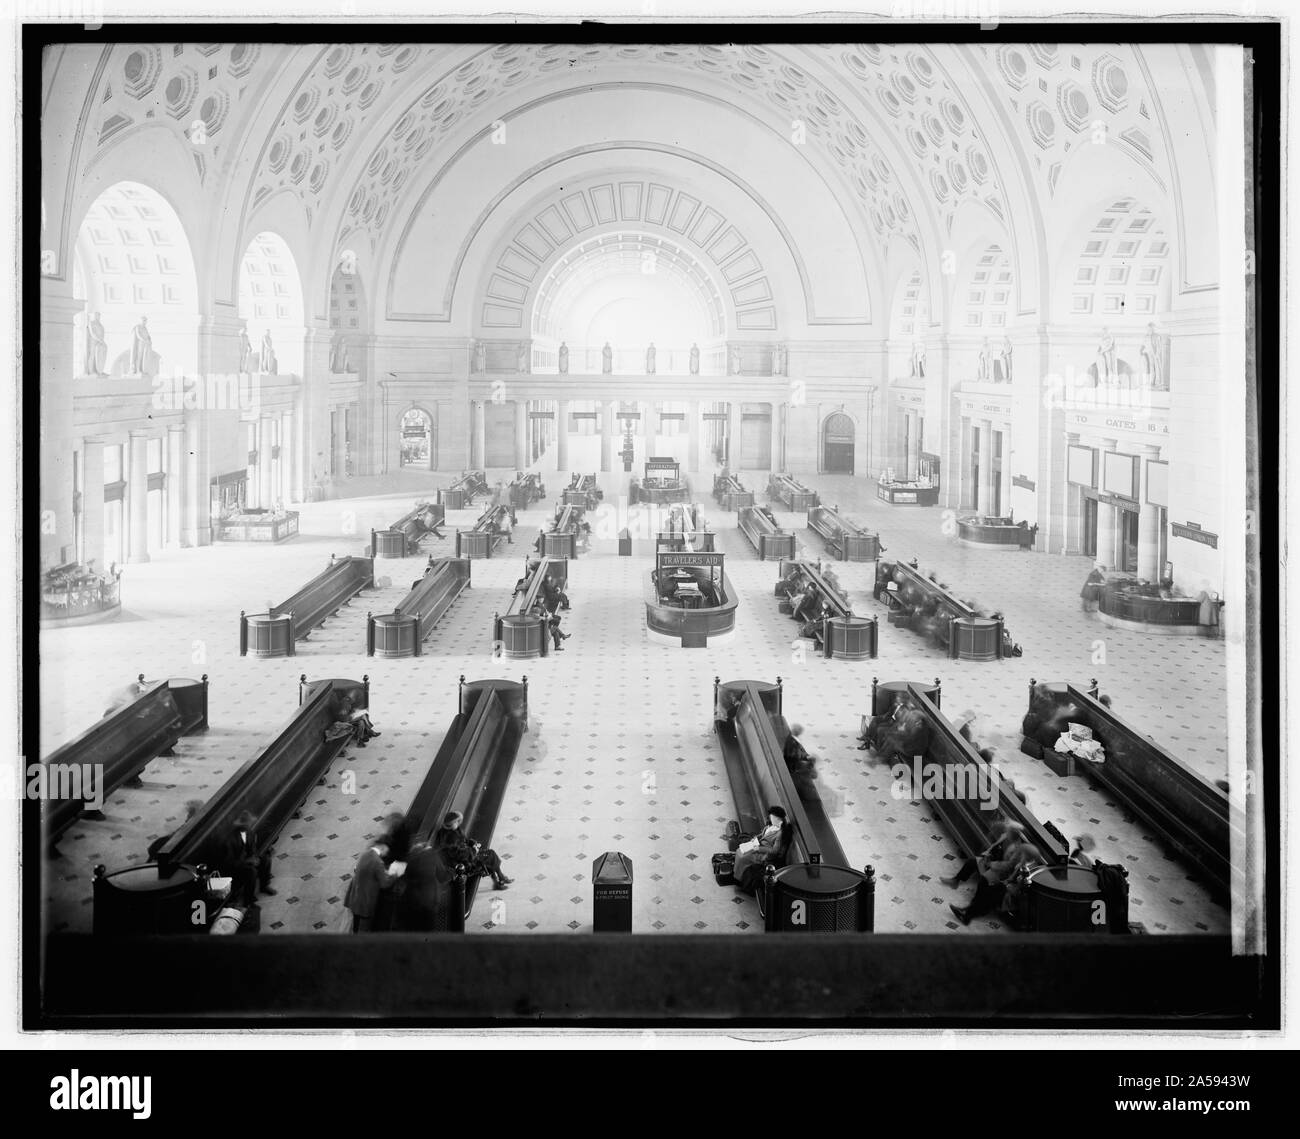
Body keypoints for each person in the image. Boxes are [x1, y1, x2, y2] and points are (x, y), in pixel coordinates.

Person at [949, 838, 1036, 925]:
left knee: (992, 892)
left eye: (1022, 854)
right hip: (1004, 883)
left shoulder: (1026, 871)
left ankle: (967, 914)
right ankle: (968, 911)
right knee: (986, 881)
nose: (1019, 854)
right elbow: (1008, 869)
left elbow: (1017, 890)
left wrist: (1006, 883)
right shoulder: (1020, 864)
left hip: (1009, 895)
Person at [432, 811, 512, 889]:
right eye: (456, 822)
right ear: (450, 824)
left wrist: (473, 843)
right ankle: (499, 879)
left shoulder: (455, 830)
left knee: (490, 855)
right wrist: (473, 851)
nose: (458, 823)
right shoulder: (449, 838)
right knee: (490, 855)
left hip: (469, 855)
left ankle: (499, 880)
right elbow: (458, 855)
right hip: (465, 863)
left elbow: (465, 840)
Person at [940, 821, 1023, 888]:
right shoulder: (1006, 836)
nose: (1005, 831)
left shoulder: (1015, 848)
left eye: (1008, 830)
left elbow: (1007, 866)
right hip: (991, 860)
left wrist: (991, 864)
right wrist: (987, 854)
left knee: (984, 882)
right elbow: (995, 846)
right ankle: (955, 881)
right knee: (972, 862)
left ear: (1012, 833)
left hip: (999, 870)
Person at [219, 810, 276, 907]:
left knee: (265, 859)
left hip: (247, 861)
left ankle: (264, 886)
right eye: (246, 824)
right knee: (251, 872)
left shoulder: (249, 832)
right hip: (235, 868)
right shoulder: (229, 840)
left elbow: (252, 849)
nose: (249, 825)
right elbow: (229, 863)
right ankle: (248, 900)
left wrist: (254, 858)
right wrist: (247, 861)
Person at [344, 839, 401, 932]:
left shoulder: (365, 854)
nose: (386, 853)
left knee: (356, 922)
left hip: (355, 896)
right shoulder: (378, 862)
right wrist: (395, 874)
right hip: (365, 900)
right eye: (386, 850)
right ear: (383, 847)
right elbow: (384, 884)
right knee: (364, 925)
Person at [732, 806, 792, 890]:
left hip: (765, 853)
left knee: (743, 857)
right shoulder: (771, 826)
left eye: (772, 817)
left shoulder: (780, 833)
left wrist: (758, 849)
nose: (770, 819)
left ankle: (739, 879)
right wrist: (755, 838)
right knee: (739, 851)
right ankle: (735, 874)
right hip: (758, 845)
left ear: (777, 818)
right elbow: (763, 834)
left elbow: (774, 851)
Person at [85, 311, 108, 376]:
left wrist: (101, 341)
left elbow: (102, 334)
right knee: (92, 355)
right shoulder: (91, 323)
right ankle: (91, 371)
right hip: (93, 342)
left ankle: (99, 370)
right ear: (94, 316)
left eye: (98, 315)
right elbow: (93, 333)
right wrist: (100, 340)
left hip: (99, 342)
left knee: (99, 356)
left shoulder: (100, 325)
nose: (98, 317)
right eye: (96, 315)